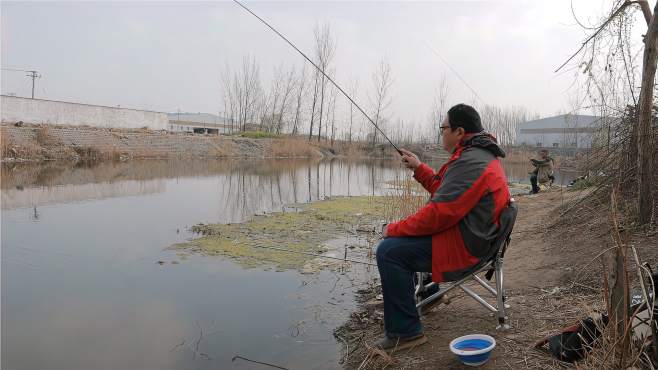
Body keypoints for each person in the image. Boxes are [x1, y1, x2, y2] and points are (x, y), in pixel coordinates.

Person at [374, 104, 511, 351]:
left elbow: (438, 214)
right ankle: (428, 298)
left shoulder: (471, 161)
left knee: (389, 251)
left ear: (459, 131)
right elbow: (446, 193)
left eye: (443, 128)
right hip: (476, 239)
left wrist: (392, 229)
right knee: (409, 238)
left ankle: (405, 333)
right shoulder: (474, 155)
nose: (441, 133)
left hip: (468, 249)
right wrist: (418, 167)